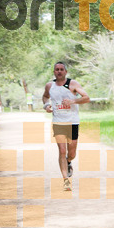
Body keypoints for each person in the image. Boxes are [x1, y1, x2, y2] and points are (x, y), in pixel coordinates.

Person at [42, 62, 90, 191]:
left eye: (61, 69)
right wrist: (46, 106)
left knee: (72, 153)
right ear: (54, 72)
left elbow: (86, 98)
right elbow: (45, 97)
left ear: (65, 71)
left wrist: (73, 101)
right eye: (57, 69)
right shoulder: (49, 86)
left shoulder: (72, 84)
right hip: (58, 122)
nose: (59, 71)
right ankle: (66, 181)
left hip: (72, 122)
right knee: (62, 151)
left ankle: (69, 162)